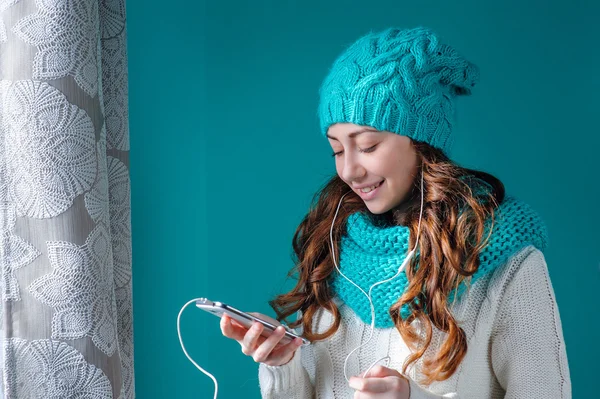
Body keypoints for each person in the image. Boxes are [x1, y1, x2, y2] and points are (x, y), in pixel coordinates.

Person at [220, 26, 571, 398]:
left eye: (368, 146)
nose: (349, 171)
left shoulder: (505, 257)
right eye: (337, 150)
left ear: (422, 143)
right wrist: (282, 363)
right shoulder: (334, 247)